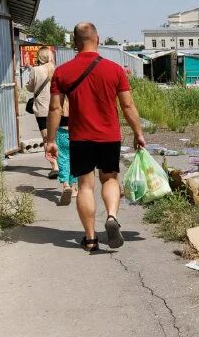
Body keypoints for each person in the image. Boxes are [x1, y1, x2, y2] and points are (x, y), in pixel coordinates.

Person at [45, 22, 146, 252]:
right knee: (110, 179)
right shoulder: (114, 69)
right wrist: (138, 133)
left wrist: (50, 141)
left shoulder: (62, 71)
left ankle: (90, 238)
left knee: (85, 185)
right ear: (97, 39)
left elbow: (54, 109)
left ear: (75, 43)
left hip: (80, 137)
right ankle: (111, 216)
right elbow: (127, 105)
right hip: (109, 135)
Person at [26, 47, 59, 178]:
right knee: (58, 137)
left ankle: (54, 166)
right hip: (57, 109)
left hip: (42, 110)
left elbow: (30, 88)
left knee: (47, 139)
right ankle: (64, 164)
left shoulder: (35, 70)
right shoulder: (56, 69)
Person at [56, 95, 78, 206]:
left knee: (63, 157)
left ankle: (65, 184)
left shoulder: (58, 95)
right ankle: (74, 188)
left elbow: (53, 111)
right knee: (75, 158)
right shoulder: (77, 94)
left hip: (61, 130)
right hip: (76, 129)